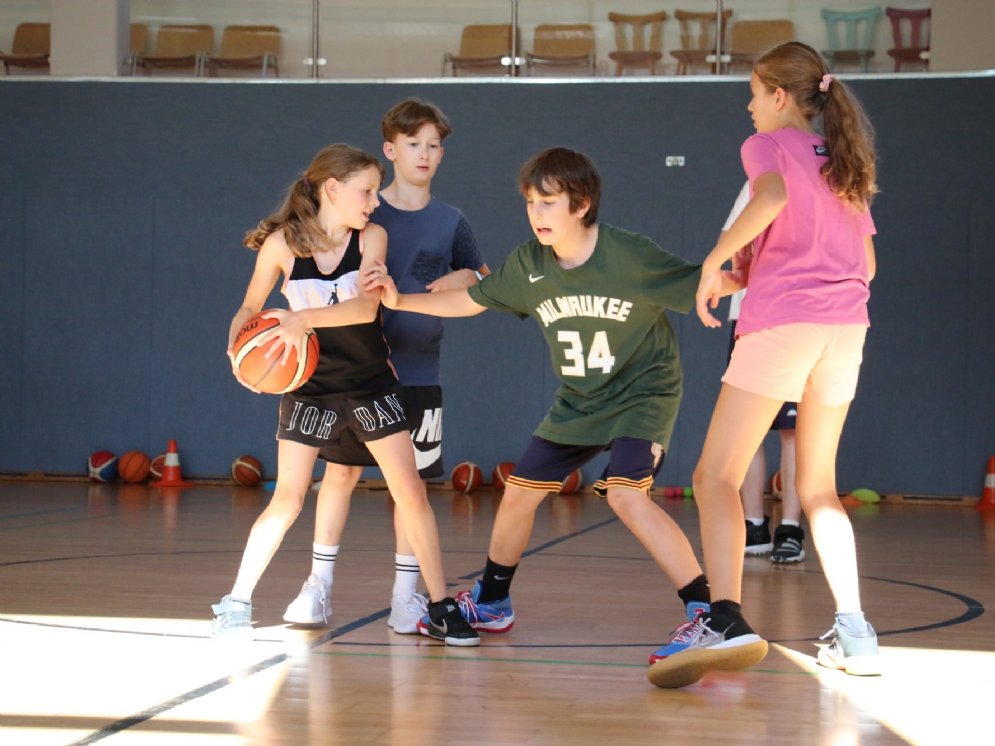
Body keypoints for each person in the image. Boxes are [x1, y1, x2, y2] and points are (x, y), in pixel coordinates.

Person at [365, 146, 742, 657]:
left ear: (581, 205)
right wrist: (401, 300)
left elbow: (704, 283)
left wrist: (754, 272)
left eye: (547, 203)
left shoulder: (629, 254)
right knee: (519, 492)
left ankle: (705, 610)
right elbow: (472, 300)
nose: (535, 214)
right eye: (529, 203)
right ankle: (494, 600)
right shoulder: (529, 265)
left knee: (626, 494)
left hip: (642, 392)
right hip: (579, 399)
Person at [648, 41, 880, 688]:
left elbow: (772, 198)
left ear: (779, 97)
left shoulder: (766, 148)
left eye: (752, 94)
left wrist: (711, 260)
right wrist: (744, 271)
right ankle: (855, 633)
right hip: (845, 330)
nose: (748, 107)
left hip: (783, 326)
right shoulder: (842, 160)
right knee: (817, 488)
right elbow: (863, 266)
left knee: (714, 474)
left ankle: (723, 617)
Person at [211, 142, 478, 647]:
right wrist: (239, 347)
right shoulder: (282, 247)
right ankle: (236, 603)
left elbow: (364, 311)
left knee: (411, 492)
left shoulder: (370, 238)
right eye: (367, 191)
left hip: (370, 383)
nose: (374, 202)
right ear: (332, 189)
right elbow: (248, 308)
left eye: (376, 192)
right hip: (310, 389)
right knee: (287, 500)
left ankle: (439, 606)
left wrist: (299, 318)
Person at [281, 99, 489, 635]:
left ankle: (405, 598)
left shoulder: (452, 221)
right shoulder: (365, 210)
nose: (425, 154)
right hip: (350, 371)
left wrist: (462, 279)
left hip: (418, 371)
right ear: (390, 151)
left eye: (435, 145)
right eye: (414, 144)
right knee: (340, 472)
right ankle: (318, 586)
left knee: (410, 487)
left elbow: (484, 279)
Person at [724, 184, 804, 563]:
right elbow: (730, 239)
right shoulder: (759, 177)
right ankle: (753, 524)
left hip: (795, 319)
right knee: (748, 428)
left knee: (794, 429)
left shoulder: (815, 180)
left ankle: (790, 527)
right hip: (750, 318)